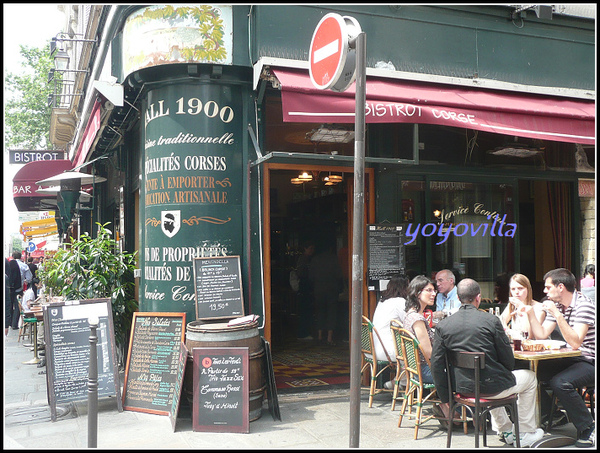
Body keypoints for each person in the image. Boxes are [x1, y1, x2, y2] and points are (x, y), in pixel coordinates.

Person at [431, 278, 543, 447]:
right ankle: (525, 432)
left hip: (462, 389)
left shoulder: (444, 325)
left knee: (493, 377)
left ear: (459, 298)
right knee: (530, 378)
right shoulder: (491, 321)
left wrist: (446, 398)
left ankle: (505, 429)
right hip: (491, 387)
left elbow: (436, 364)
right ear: (478, 297)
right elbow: (508, 360)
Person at [520, 268, 595, 448]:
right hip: (569, 358)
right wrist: (531, 313)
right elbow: (542, 335)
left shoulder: (584, 305)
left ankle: (588, 428)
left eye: (547, 287)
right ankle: (549, 418)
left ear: (560, 287)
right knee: (530, 374)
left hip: (588, 360)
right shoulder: (558, 305)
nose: (545, 291)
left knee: (561, 383)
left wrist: (557, 314)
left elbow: (576, 343)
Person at [309, 236, 343, 346]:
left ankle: (319, 336)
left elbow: (311, 276)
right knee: (332, 312)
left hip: (318, 289)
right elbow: (339, 275)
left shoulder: (315, 259)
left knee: (320, 311)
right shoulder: (333, 259)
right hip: (332, 289)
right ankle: (329, 337)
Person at [403, 275, 437, 384]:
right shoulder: (417, 319)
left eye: (434, 291)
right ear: (417, 293)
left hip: (415, 369)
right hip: (425, 372)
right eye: (429, 290)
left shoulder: (410, 314)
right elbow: (428, 353)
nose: (434, 294)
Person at [373, 275, 409, 362]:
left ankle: (402, 375)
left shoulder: (382, 301)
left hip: (374, 349)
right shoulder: (400, 301)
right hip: (388, 351)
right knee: (417, 352)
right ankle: (408, 376)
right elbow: (410, 321)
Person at [500, 273, 545, 339]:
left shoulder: (539, 308)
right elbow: (501, 322)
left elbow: (529, 335)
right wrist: (506, 330)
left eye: (520, 288)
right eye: (513, 289)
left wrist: (522, 308)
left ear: (528, 289)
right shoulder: (512, 305)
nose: (516, 292)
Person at [295, 239, 315, 340]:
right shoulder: (303, 259)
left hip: (307, 287)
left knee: (306, 310)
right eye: (310, 248)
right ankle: (303, 333)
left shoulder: (308, 259)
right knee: (304, 311)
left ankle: (305, 332)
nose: (312, 250)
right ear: (305, 249)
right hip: (304, 288)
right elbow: (301, 273)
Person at [6, 255, 23, 336]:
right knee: (17, 306)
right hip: (18, 289)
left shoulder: (9, 264)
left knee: (9, 305)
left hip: (9, 289)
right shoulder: (21, 265)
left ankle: (9, 322)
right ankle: (14, 324)